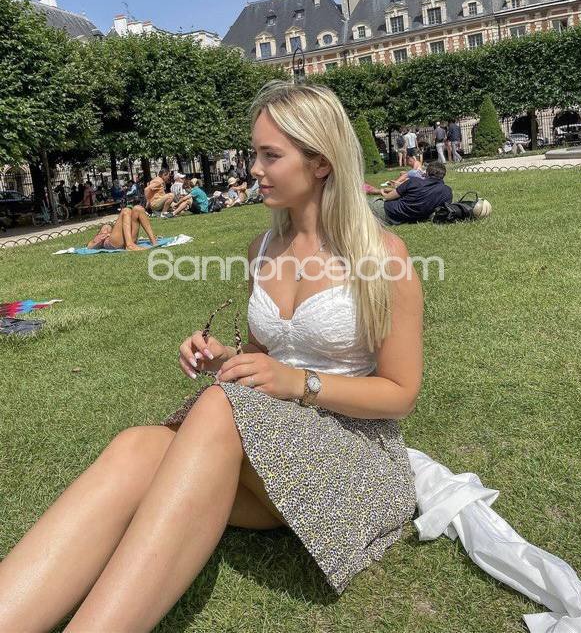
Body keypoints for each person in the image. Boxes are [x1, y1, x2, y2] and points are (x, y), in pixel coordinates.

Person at [0, 81, 421, 630]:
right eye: (254, 153)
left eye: (270, 155)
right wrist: (226, 359)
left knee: (218, 407)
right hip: (273, 455)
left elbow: (400, 393)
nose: (254, 169)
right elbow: (267, 359)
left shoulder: (383, 257)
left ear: (321, 162)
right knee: (135, 447)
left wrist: (300, 382)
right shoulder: (261, 250)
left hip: (353, 457)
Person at [369, 161, 452, 225]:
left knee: (365, 203)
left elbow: (388, 197)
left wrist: (383, 193)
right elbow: (439, 210)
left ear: (426, 173)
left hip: (389, 212)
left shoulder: (414, 182)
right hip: (409, 219)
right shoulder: (447, 192)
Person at [85, 205, 158, 251]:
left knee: (138, 208)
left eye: (108, 228)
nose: (106, 229)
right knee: (126, 210)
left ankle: (154, 241)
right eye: (104, 229)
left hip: (127, 239)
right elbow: (89, 247)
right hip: (114, 243)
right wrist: (99, 241)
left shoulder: (117, 233)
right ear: (99, 232)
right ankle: (130, 245)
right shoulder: (97, 238)